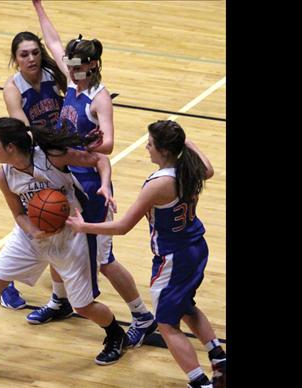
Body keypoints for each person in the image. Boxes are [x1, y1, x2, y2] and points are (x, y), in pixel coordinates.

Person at [0, 117, 128, 380]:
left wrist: (104, 184)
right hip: (30, 235)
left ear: (10, 147)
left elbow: (99, 159)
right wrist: (33, 231)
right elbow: (19, 214)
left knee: (83, 306)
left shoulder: (52, 157)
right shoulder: (4, 175)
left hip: (70, 235)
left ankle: (116, 334)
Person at [29, 0, 157, 349]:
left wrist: (97, 143)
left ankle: (142, 316)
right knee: (56, 236)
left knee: (103, 260)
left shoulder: (100, 98)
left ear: (93, 66)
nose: (69, 71)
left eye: (76, 67)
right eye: (68, 66)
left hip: (92, 186)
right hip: (67, 180)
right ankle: (61, 300)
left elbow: (111, 142)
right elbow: (53, 42)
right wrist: (38, 6)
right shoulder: (73, 82)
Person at [66, 120, 227, 388]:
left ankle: (200, 383)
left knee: (165, 323)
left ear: (164, 151)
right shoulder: (191, 168)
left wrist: (84, 227)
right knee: (185, 304)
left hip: (173, 258)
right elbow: (209, 170)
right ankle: (218, 357)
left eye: (150, 144)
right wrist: (183, 140)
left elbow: (123, 226)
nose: (146, 148)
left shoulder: (159, 184)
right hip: (196, 247)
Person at [0, 31, 67, 310]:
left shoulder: (53, 74)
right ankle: (5, 283)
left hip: (56, 152)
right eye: (24, 54)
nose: (31, 58)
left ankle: (62, 285)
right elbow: (24, 130)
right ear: (15, 60)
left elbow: (74, 89)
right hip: (32, 154)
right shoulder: (13, 88)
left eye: (35, 52)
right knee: (33, 216)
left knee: (57, 213)